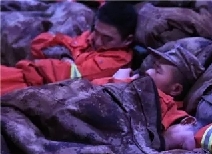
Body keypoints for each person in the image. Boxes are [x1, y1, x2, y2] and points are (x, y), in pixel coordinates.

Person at [0, 2, 137, 96]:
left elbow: (65, 77)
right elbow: (40, 43)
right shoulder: (90, 37)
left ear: (128, 40)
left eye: (107, 38)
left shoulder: (116, 61)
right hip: (27, 74)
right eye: (96, 32)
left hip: (35, 88)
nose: (98, 41)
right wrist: (63, 56)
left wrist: (60, 56)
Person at [93, 44, 204, 130]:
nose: (148, 71)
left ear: (176, 89)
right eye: (153, 67)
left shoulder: (170, 112)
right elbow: (92, 88)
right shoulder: (138, 85)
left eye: (157, 71)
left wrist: (118, 82)